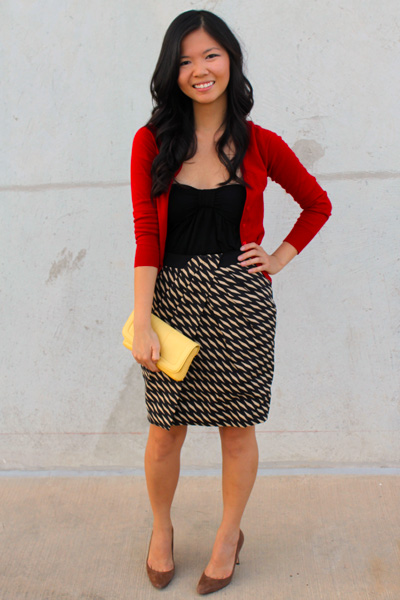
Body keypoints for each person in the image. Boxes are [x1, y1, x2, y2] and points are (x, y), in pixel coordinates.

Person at [130, 9, 332, 595]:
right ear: (172, 72)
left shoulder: (260, 143)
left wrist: (278, 258)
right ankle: (161, 529)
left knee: (237, 430)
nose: (200, 70)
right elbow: (147, 233)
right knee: (165, 431)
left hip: (242, 305)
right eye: (185, 60)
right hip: (171, 302)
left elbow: (316, 204)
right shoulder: (152, 143)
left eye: (211, 55)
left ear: (230, 61)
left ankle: (227, 536)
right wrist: (141, 321)